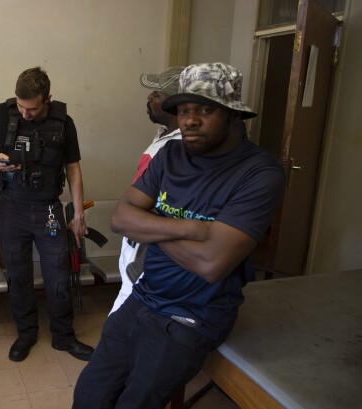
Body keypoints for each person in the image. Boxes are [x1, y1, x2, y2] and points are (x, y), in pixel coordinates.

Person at [73, 62, 285, 408]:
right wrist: (194, 228)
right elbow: (121, 218)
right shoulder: (170, 155)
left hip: (191, 316)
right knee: (89, 396)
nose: (189, 120)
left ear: (234, 115)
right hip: (143, 296)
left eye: (205, 110)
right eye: (184, 110)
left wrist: (152, 223)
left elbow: (212, 262)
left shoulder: (259, 173)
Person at [0, 66, 94, 362]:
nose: (25, 113)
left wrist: (78, 215)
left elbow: (73, 168)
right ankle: (26, 333)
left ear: (48, 99)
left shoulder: (65, 122)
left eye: (32, 108)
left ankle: (63, 336)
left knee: (58, 273)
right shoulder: (2, 114)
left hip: (49, 210)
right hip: (12, 208)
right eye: (21, 106)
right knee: (18, 274)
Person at [110, 66, 184, 314]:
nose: (149, 98)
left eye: (157, 94)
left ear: (176, 104)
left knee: (126, 318)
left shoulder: (179, 149)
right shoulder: (165, 136)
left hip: (150, 250)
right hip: (137, 241)